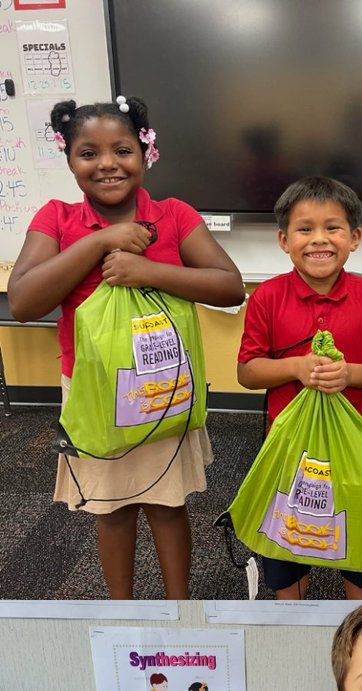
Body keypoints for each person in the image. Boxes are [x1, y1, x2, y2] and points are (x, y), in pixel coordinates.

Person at [7, 96, 245, 600]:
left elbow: (229, 286)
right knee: (111, 507)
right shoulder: (56, 219)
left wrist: (151, 271)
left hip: (163, 388)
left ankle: (179, 609)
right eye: (88, 153)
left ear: (146, 151)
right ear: (69, 160)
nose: (108, 163)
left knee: (167, 501)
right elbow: (25, 301)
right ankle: (122, 611)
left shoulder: (176, 215)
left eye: (122, 149)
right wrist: (98, 243)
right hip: (95, 392)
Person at [237, 176, 362, 600]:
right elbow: (248, 372)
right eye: (304, 229)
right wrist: (294, 366)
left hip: (358, 447)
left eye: (333, 228)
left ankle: (359, 621)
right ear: (283, 239)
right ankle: (290, 615)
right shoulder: (267, 298)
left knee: (359, 543)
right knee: (287, 546)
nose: (319, 240)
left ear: (355, 238)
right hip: (288, 447)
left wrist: (350, 375)